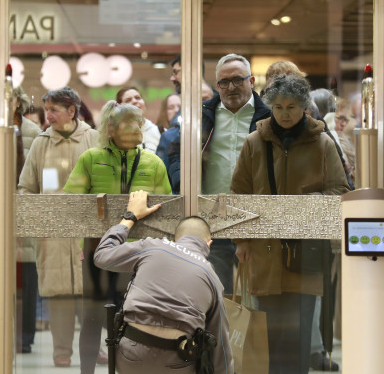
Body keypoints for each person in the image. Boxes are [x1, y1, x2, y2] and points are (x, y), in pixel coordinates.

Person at [230, 74, 349, 374]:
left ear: (305, 108)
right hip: (263, 252)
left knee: (299, 335)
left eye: (292, 107)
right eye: (279, 107)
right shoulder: (254, 143)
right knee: (268, 335)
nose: (284, 114)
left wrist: (305, 203)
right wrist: (241, 241)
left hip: (306, 253)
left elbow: (340, 191)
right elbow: (238, 195)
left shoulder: (322, 143)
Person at [64, 100, 171, 374]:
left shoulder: (153, 162)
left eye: (139, 122)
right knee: (91, 317)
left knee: (134, 317)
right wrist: (77, 243)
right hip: (95, 251)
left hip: (139, 254)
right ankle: (86, 371)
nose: (138, 128)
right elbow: (70, 205)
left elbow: (168, 212)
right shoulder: (90, 159)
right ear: (111, 129)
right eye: (130, 123)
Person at [94, 190, 233, 374]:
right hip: (177, 362)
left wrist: (130, 216)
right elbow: (220, 344)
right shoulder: (212, 277)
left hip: (130, 358)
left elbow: (102, 255)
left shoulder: (153, 246)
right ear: (209, 244)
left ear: (177, 239)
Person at [168, 53, 271, 294]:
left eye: (238, 80)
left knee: (257, 298)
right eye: (224, 82)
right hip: (213, 219)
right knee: (216, 296)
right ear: (217, 86)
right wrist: (185, 183)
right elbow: (176, 154)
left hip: (256, 218)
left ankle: (254, 335)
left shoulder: (269, 117)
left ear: (252, 81)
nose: (231, 87)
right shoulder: (201, 116)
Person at [17, 86, 99, 368]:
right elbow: (25, 187)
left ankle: (93, 346)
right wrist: (35, 220)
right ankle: (61, 350)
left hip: (87, 230)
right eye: (46, 109)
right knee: (58, 292)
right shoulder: (41, 143)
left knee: (90, 292)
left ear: (72, 111)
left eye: (54, 110)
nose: (47, 115)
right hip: (51, 233)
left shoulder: (94, 139)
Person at [116, 86, 161, 152]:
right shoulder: (115, 136)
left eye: (138, 98)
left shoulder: (159, 132)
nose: (134, 101)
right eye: (128, 100)